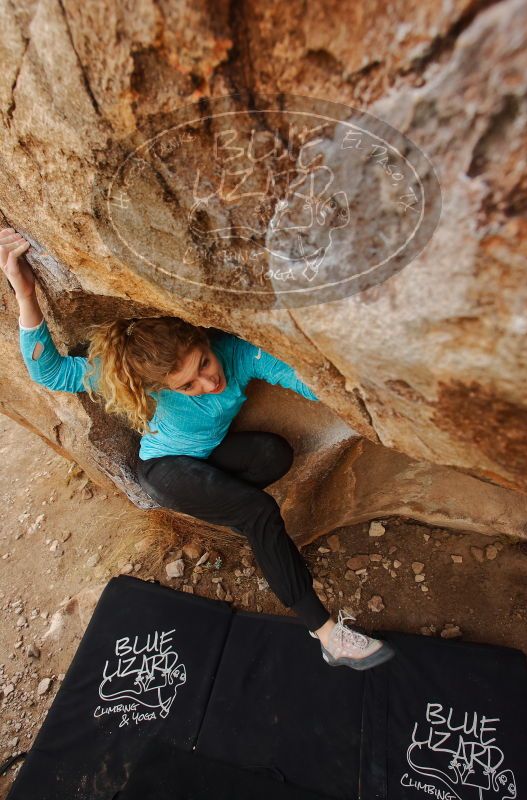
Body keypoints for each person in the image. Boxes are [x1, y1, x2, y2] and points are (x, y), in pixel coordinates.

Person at [1, 227, 394, 672]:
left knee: (275, 454)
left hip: (209, 455)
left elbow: (296, 376)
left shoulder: (236, 354)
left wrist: (363, 396)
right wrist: (25, 292)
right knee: (258, 511)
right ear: (162, 386)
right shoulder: (142, 382)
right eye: (188, 385)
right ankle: (325, 634)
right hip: (165, 468)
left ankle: (235, 513)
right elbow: (50, 373)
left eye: (204, 363)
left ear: (203, 340)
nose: (209, 382)